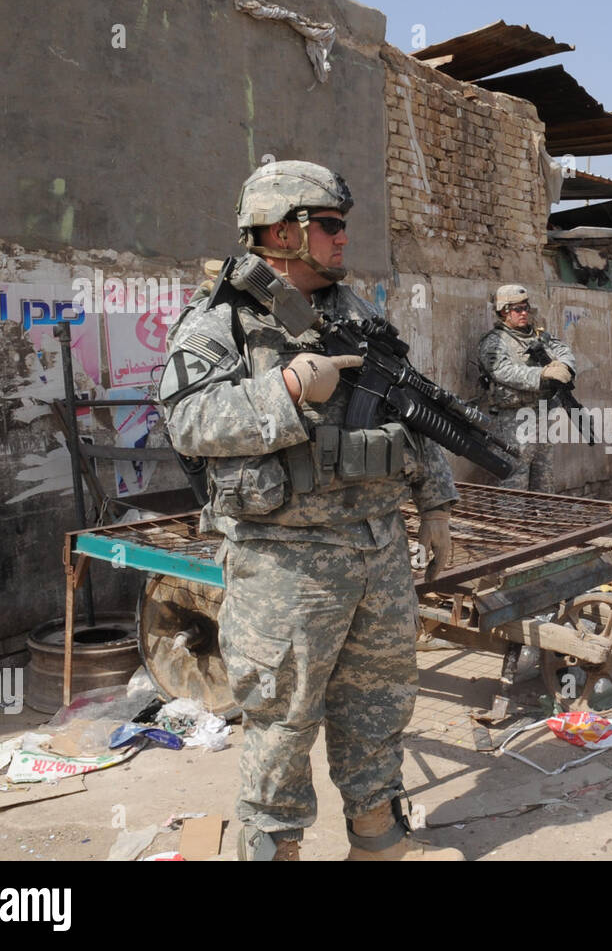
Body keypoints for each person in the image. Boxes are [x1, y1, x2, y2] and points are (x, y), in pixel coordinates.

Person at [158, 160, 462, 862]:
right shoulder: (223, 320)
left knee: (380, 705)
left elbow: (411, 411)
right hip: (284, 560)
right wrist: (289, 388)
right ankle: (276, 849)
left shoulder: (353, 314)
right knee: (283, 720)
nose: (341, 238)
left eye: (342, 225)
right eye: (329, 225)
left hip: (376, 548)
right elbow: (188, 420)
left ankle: (379, 841)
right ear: (282, 231)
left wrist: (436, 505)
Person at [476, 284, 576, 492]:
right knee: (514, 478)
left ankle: (544, 521)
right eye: (517, 309)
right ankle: (513, 524)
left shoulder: (538, 336)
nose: (524, 313)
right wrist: (541, 374)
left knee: (544, 475)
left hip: (541, 413)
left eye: (525, 308)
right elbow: (502, 371)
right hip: (512, 418)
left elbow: (563, 349)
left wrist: (564, 365)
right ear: (504, 311)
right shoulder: (494, 342)